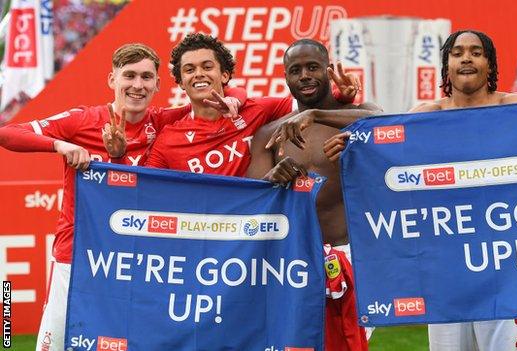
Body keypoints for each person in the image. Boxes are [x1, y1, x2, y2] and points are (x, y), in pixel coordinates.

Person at [325, 29, 517, 351]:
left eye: (476, 52)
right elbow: (388, 166)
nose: (466, 57)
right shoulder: (424, 117)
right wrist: (356, 148)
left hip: (509, 271)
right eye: (457, 52)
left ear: (490, 65)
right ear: (446, 65)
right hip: (446, 275)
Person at [0, 43, 243, 351]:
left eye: (146, 77)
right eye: (129, 75)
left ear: (157, 84)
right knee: (56, 344)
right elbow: (8, 133)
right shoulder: (83, 121)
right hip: (76, 255)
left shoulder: (163, 122)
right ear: (112, 80)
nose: (137, 85)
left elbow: (222, 96)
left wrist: (236, 97)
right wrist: (60, 146)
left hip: (135, 261)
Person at [246, 39, 381, 351]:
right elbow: (254, 199)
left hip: (350, 256)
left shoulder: (359, 116)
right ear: (286, 79)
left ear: (328, 71)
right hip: (291, 260)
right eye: (295, 70)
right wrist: (273, 178)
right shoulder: (269, 134)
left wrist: (316, 115)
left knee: (349, 344)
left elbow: (382, 121)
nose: (304, 75)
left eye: (312, 67)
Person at [142, 33, 359, 175]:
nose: (199, 74)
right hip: (203, 236)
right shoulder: (168, 139)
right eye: (189, 70)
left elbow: (310, 102)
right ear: (180, 82)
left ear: (225, 75)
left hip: (251, 235)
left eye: (207, 67)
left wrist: (342, 94)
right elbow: (145, 190)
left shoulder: (259, 109)